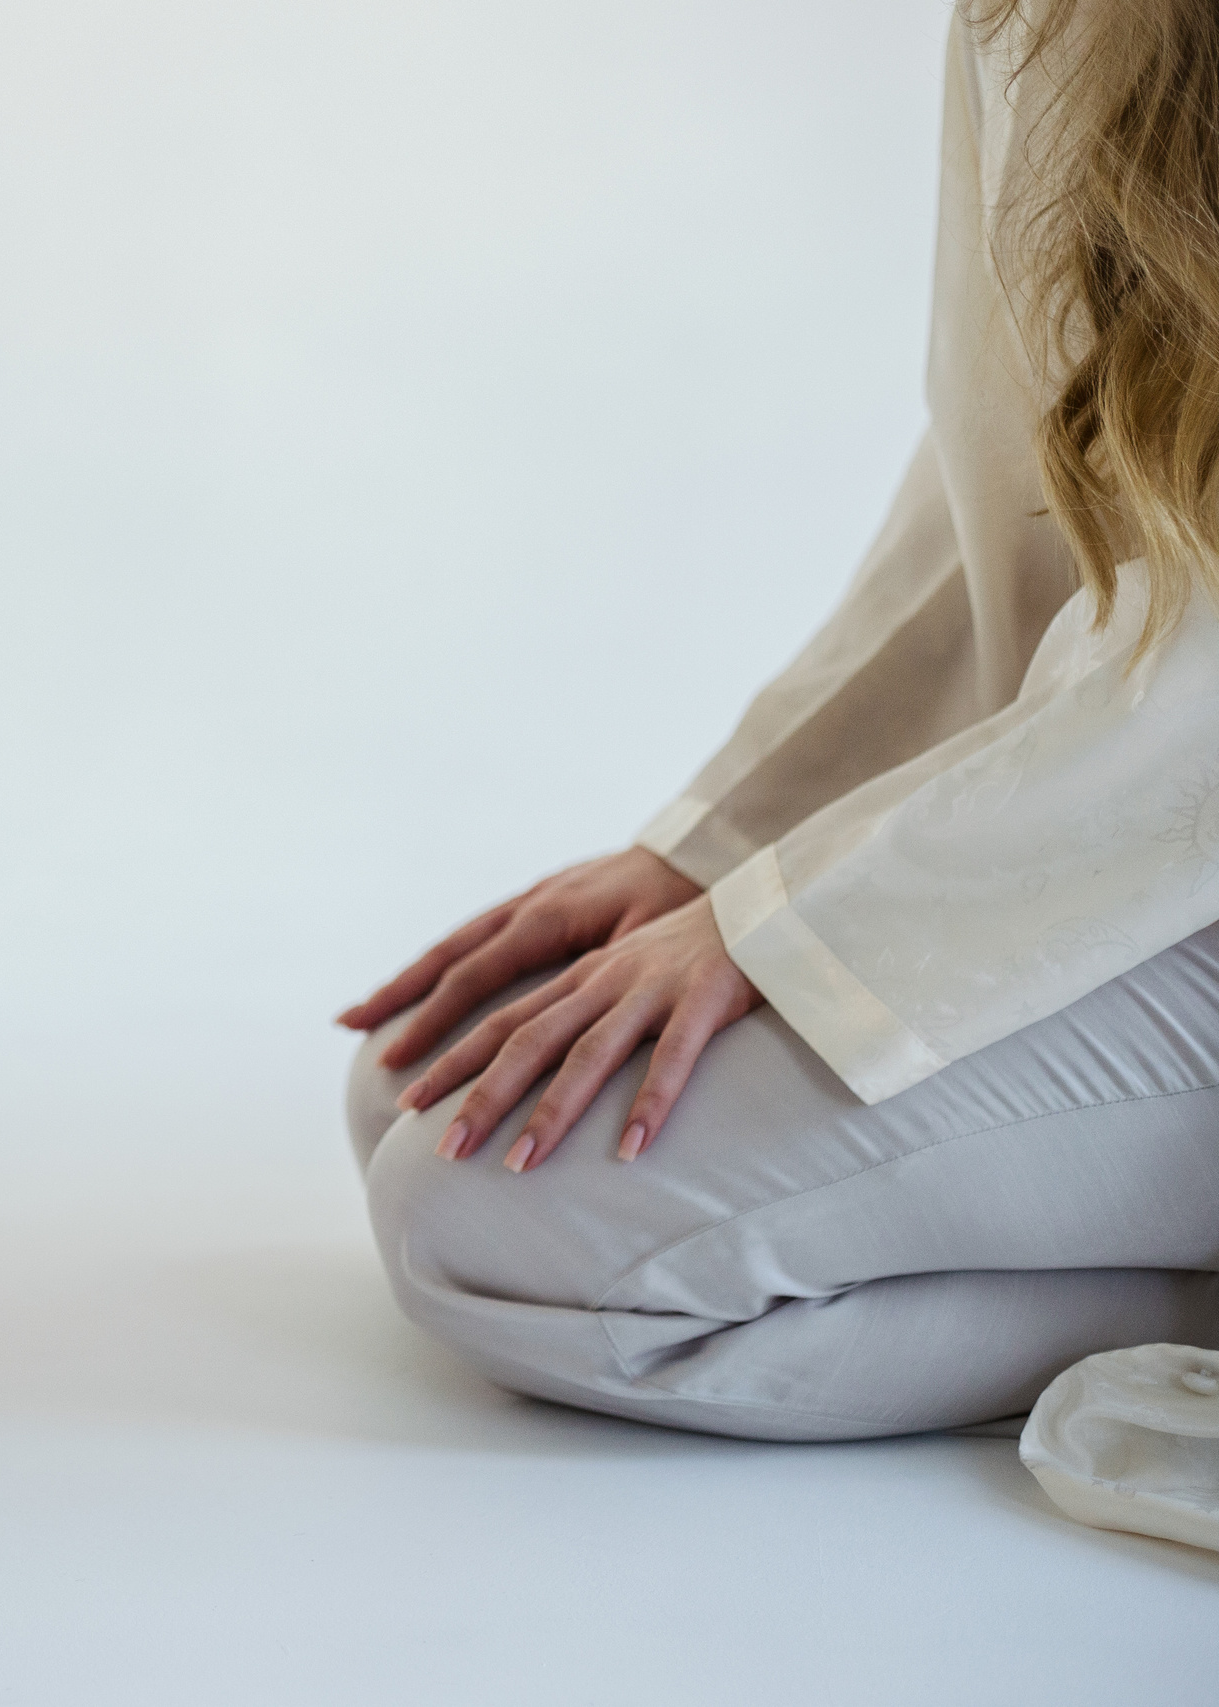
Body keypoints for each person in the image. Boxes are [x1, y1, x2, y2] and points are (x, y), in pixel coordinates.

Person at [344, 0, 1219, 1441]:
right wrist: (729, 846)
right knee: (426, 1091)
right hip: (1119, 819)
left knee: (486, 1230)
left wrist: (799, 919)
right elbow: (1016, 469)